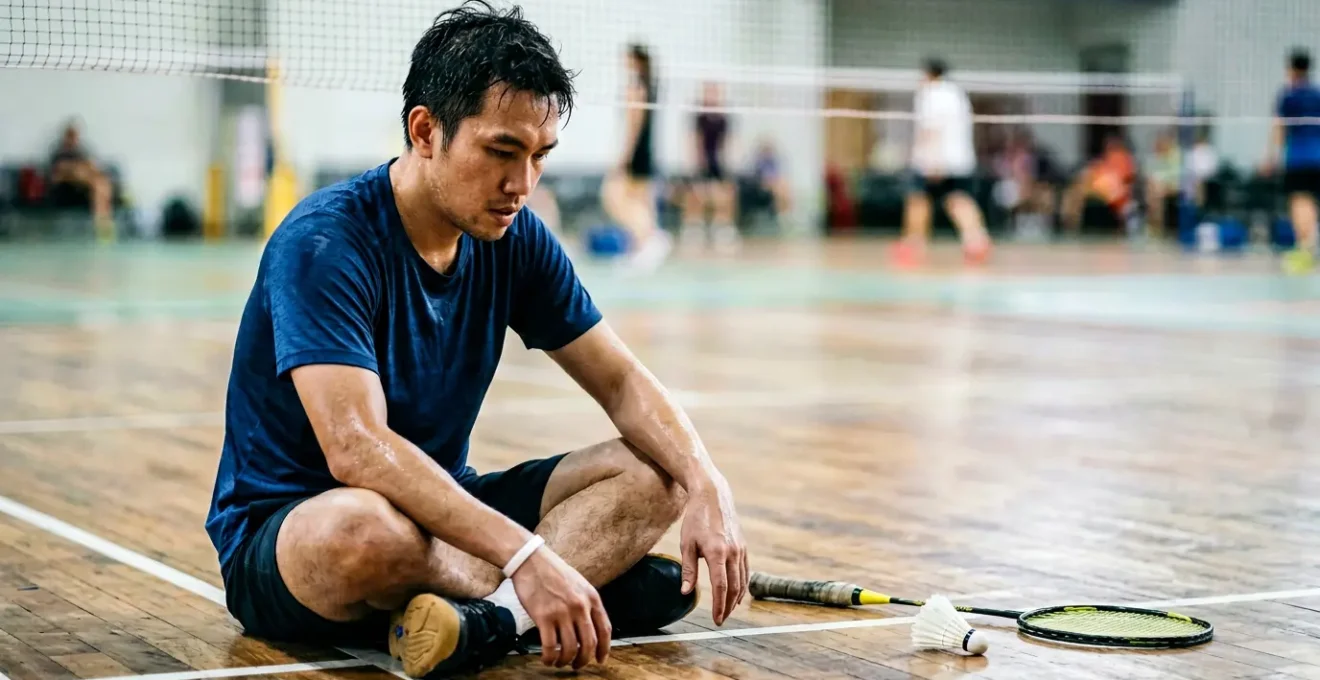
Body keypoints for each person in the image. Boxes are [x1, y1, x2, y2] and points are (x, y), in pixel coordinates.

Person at [202, 3, 749, 678]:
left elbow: (620, 380)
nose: (522, 184)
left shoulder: (514, 237)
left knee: (658, 470)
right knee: (363, 529)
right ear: (426, 130)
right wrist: (530, 556)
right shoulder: (325, 242)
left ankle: (492, 618)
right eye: (500, 152)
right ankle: (555, 587)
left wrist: (707, 481)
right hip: (294, 533)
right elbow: (357, 450)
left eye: (539, 156)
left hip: (443, 510)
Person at [892, 58, 991, 267]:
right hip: (960, 160)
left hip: (933, 160)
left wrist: (932, 159)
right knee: (958, 199)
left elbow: (932, 128)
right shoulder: (957, 93)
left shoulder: (931, 94)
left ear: (929, 75)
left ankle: (913, 243)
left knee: (917, 199)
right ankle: (976, 241)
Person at [601, 43, 671, 272]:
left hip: (637, 154)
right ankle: (641, 249)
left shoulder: (636, 87)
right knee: (641, 203)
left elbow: (634, 125)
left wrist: (624, 156)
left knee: (613, 197)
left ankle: (651, 240)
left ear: (637, 61)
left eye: (628, 59)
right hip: (646, 152)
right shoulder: (650, 85)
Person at [1266, 48, 1320, 274]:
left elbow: (1279, 128)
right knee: (1311, 202)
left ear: (1291, 68)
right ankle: (1309, 247)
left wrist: (1271, 156)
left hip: (1298, 158)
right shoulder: (1317, 95)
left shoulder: (1288, 95)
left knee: (1300, 202)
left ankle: (1306, 250)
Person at [680, 82, 739, 253]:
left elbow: (727, 141)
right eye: (709, 92)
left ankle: (723, 228)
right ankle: (693, 227)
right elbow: (694, 139)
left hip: (718, 161)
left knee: (726, 193)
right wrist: (695, 162)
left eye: (715, 92)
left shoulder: (724, 117)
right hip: (701, 160)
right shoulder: (698, 116)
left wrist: (727, 162)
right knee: (695, 193)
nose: (712, 96)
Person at [48, 120, 115, 240]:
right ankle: (103, 222)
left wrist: (85, 170)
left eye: (75, 136)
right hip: (66, 191)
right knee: (89, 178)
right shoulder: (58, 153)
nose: (73, 139)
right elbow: (56, 176)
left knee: (100, 183)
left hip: (85, 191)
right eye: (71, 136)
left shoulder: (82, 152)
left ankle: (102, 221)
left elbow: (93, 168)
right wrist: (76, 171)